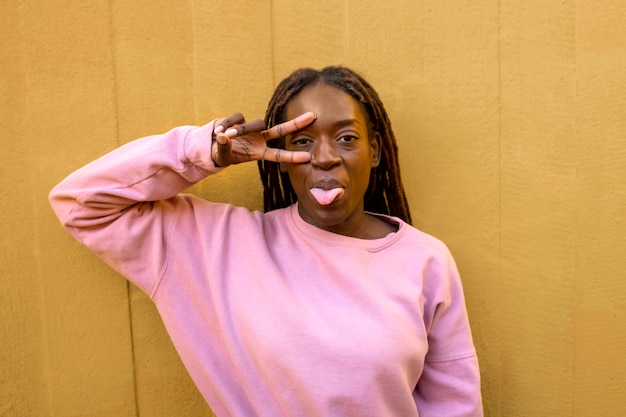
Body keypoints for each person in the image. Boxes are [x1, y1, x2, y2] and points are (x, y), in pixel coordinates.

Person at [50, 66, 483, 416]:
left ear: (376, 150)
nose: (326, 155)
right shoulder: (216, 246)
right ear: (279, 160)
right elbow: (80, 203)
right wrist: (204, 152)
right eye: (302, 141)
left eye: (346, 137)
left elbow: (454, 406)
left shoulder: (426, 261)